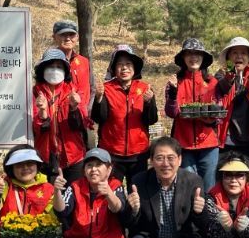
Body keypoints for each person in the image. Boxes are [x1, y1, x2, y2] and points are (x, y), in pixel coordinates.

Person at [123, 136, 208, 238]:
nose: (165, 164)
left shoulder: (193, 181)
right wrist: (133, 210)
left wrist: (200, 212)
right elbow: (129, 223)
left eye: (171, 158)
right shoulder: (139, 181)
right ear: (151, 160)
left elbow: (203, 224)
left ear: (180, 159)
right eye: (159, 158)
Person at [91, 45, 158, 189]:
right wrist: (99, 98)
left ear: (134, 68)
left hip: (138, 153)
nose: (124, 68)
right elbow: (99, 118)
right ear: (114, 69)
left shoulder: (144, 88)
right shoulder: (106, 88)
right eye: (120, 64)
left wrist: (149, 103)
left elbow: (151, 119)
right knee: (111, 191)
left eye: (128, 64)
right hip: (111, 152)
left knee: (137, 192)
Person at [165, 38, 220, 191]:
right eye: (189, 53)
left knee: (210, 188)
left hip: (209, 144)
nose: (193, 57)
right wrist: (173, 92)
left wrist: (209, 118)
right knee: (188, 187)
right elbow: (171, 112)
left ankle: (208, 208)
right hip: (183, 144)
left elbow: (218, 113)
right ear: (183, 58)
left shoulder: (212, 82)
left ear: (203, 58)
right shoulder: (175, 81)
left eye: (197, 53)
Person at [33, 48, 88, 184]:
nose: (55, 70)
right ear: (42, 69)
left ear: (65, 70)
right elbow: (36, 130)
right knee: (49, 195)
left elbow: (81, 124)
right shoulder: (34, 93)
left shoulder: (73, 91)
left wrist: (74, 108)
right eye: (50, 66)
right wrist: (42, 112)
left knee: (75, 194)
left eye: (59, 67)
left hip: (73, 157)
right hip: (46, 158)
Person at [51, 20, 95, 116]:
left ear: (77, 37)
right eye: (63, 35)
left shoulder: (84, 62)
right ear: (54, 37)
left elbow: (92, 88)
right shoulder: (48, 63)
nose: (68, 38)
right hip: (57, 118)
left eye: (71, 35)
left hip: (82, 117)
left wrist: (88, 111)